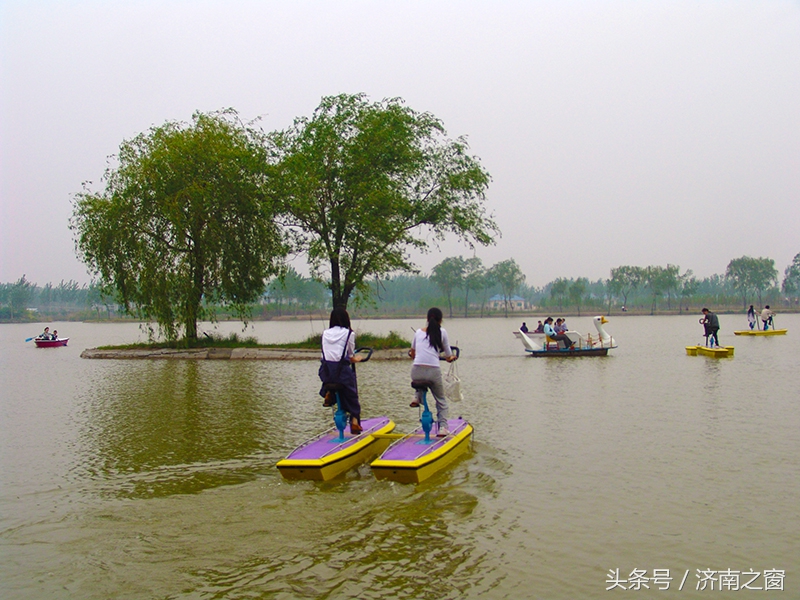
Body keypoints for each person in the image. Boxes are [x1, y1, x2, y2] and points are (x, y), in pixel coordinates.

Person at [409, 307, 456, 437]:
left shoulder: (418, 332)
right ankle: (443, 428)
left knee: (418, 377)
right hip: (433, 371)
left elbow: (413, 353)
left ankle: (417, 396)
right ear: (441, 320)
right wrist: (451, 358)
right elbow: (448, 354)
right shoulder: (442, 332)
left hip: (416, 370)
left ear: (427, 319)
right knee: (441, 400)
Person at [318, 307, 364, 434]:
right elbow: (350, 356)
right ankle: (354, 421)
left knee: (330, 380)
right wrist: (358, 359)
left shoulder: (325, 333)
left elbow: (324, 355)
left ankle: (328, 393)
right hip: (341, 372)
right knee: (352, 395)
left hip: (325, 371)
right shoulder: (349, 333)